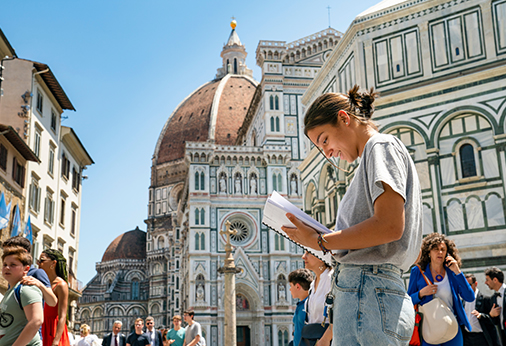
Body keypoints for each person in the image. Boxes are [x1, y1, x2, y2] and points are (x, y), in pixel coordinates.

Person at [282, 86, 422, 346]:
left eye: (324, 140)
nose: (328, 152)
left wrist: (321, 240)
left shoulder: (381, 147)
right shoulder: (371, 157)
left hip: (369, 294)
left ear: (344, 119)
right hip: (367, 296)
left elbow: (390, 226)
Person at [407, 233, 475, 345]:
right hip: (428, 329)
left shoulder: (452, 272)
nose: (440, 252)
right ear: (428, 252)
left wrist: (458, 272)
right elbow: (408, 301)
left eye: (443, 249)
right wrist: (421, 293)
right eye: (435, 249)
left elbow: (470, 297)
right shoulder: (417, 271)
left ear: (447, 253)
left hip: (452, 327)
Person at [0, 246, 43, 346]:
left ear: (26, 269)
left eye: (13, 265)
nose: (7, 267)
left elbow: (36, 320)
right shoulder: (10, 291)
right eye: (5, 264)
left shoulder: (26, 289)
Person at [3, 236, 57, 307]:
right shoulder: (12, 276)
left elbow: (53, 302)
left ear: (24, 253)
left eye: (10, 252)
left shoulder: (37, 273)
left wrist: (39, 284)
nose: (6, 255)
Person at [34, 249, 70, 346]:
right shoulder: (39, 281)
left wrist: (56, 341)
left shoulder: (61, 285)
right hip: (41, 327)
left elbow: (62, 316)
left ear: (53, 263)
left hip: (53, 330)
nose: (38, 263)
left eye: (42, 260)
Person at [463, 273, 502, 346]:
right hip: (468, 337)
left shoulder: (486, 299)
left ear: (476, 284)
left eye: (469, 285)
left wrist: (481, 315)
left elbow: (493, 320)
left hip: (482, 337)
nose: (466, 288)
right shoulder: (463, 301)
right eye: (464, 286)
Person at [288, 268, 313, 346]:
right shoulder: (300, 305)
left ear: (298, 287)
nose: (289, 289)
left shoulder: (310, 305)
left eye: (291, 286)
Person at [484, 267, 506, 345]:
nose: (485, 283)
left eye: (487, 280)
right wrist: (491, 315)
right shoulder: (493, 298)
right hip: (503, 335)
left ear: (495, 280)